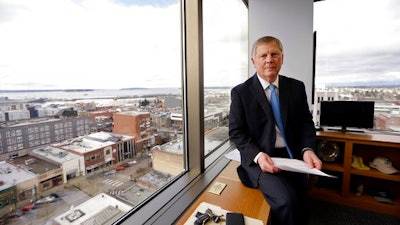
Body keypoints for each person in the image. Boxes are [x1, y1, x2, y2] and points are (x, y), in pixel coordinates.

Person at [229, 36, 322, 225]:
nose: (269, 59)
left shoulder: (296, 87)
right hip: (262, 157)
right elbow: (236, 132)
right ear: (253, 61)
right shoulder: (241, 93)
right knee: (286, 201)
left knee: (301, 199)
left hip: (293, 156)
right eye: (263, 55)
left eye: (274, 54)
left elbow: (305, 122)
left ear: (282, 58)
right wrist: (258, 155)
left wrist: (308, 149)